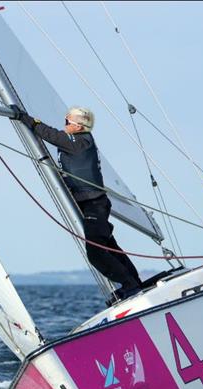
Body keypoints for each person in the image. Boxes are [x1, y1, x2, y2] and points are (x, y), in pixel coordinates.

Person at [18, 107, 142, 299]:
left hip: (94, 204)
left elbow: (51, 135)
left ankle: (130, 284)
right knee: (109, 247)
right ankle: (134, 283)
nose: (65, 125)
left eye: (67, 122)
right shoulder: (79, 141)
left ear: (78, 126)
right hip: (90, 203)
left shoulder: (80, 141)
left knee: (95, 252)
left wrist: (27, 119)